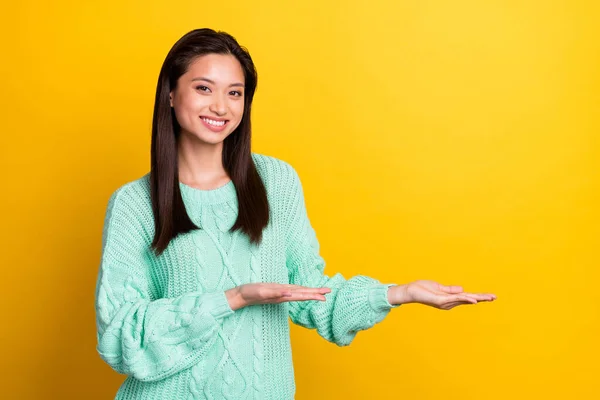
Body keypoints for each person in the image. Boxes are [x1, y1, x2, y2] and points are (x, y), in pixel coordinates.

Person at [94, 28, 497, 400]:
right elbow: (119, 335)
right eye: (203, 88)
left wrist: (397, 294)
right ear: (170, 92)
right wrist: (233, 298)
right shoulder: (135, 203)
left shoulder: (275, 181)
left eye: (235, 93)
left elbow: (308, 291)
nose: (220, 106)